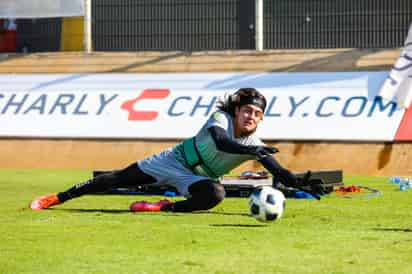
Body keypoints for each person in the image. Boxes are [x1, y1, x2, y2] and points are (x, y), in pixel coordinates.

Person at [30, 88, 322, 213]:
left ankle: (161, 207)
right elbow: (221, 142)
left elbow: (279, 172)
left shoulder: (255, 145)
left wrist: (296, 179)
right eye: (247, 111)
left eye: (257, 115)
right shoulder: (220, 119)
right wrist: (257, 151)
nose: (252, 118)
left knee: (215, 195)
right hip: (173, 160)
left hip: (195, 179)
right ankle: (57, 198)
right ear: (236, 111)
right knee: (116, 178)